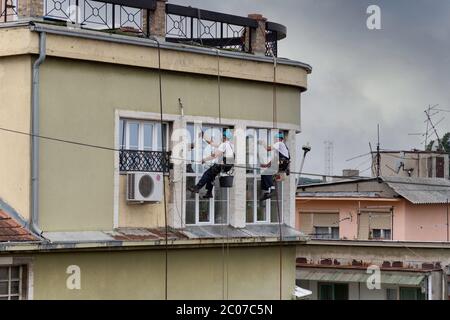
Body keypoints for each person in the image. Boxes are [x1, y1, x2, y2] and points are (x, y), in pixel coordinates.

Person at [188, 129, 235, 199]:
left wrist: (204, 159)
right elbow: (212, 144)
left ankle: (197, 187)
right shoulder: (230, 145)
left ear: (224, 137)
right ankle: (209, 193)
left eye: (222, 136)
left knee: (207, 174)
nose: (221, 138)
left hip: (223, 166)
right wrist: (204, 136)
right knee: (211, 176)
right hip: (228, 166)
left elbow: (214, 155)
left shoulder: (224, 144)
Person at [258, 132, 290, 201]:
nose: (274, 141)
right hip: (283, 163)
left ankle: (273, 189)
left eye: (275, 139)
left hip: (282, 162)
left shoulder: (280, 143)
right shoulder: (281, 148)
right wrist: (266, 165)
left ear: (279, 139)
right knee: (264, 174)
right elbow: (275, 159)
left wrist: (263, 143)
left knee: (267, 173)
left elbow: (268, 148)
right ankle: (266, 192)